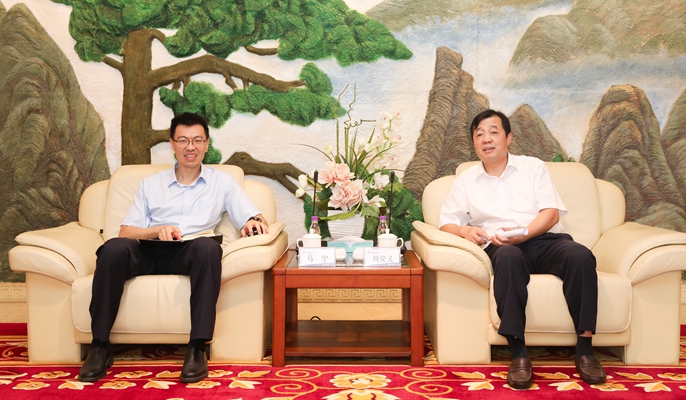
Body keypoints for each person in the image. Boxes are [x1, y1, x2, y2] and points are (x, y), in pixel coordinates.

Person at [78, 112, 269, 383]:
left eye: (197, 140)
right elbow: (126, 232)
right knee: (113, 248)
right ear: (172, 144)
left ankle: (197, 348)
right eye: (183, 140)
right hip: (148, 251)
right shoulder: (151, 184)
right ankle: (99, 347)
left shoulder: (222, 182)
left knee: (208, 248)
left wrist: (252, 221)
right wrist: (156, 230)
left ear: (206, 144)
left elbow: (256, 217)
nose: (190, 147)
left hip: (190, 253)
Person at [439, 109, 606, 389]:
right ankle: (518, 352)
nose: (486, 139)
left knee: (580, 255)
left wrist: (525, 233)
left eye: (493, 132)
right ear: (474, 142)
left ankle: (585, 348)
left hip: (542, 238)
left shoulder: (532, 167)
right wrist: (466, 231)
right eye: (479, 134)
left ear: (508, 138)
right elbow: (446, 224)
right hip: (501, 245)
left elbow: (551, 213)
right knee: (507, 257)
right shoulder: (465, 180)